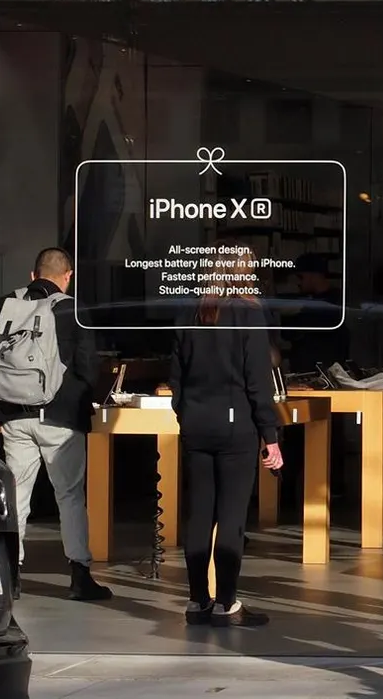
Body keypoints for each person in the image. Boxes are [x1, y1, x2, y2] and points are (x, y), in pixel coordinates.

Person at [0, 247, 111, 600]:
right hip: (60, 419)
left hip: (13, 415)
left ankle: (10, 576)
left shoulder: (8, 302)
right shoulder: (72, 308)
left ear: (33, 274)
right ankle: (80, 576)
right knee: (69, 495)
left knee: (17, 496)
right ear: (67, 276)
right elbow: (89, 367)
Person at [170, 244, 284, 626]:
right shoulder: (249, 313)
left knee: (199, 514)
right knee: (232, 516)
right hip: (236, 426)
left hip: (196, 425)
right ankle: (227, 602)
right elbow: (258, 380)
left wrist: (185, 414)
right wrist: (270, 435)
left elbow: (176, 375)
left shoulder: (190, 310)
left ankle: (197, 600)